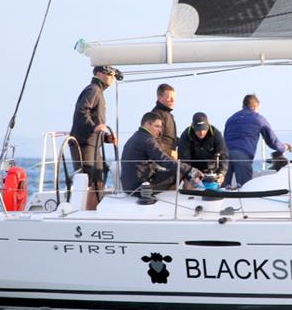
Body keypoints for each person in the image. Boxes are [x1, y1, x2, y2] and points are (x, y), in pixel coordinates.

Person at [70, 64, 119, 210]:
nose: (112, 77)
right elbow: (81, 111)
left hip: (93, 143)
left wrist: (105, 139)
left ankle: (93, 210)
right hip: (84, 144)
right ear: (98, 73)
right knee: (88, 180)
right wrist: (94, 127)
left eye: (114, 75)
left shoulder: (98, 92)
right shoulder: (93, 90)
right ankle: (85, 213)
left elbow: (94, 121)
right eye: (109, 73)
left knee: (99, 176)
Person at [120, 112, 202, 194]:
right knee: (179, 172)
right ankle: (186, 195)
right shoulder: (148, 140)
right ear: (147, 124)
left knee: (175, 169)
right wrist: (189, 169)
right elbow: (163, 160)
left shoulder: (135, 137)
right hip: (140, 188)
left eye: (161, 127)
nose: (160, 130)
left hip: (128, 187)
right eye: (157, 126)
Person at [223, 94, 291, 187]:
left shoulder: (231, 119)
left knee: (222, 190)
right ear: (255, 106)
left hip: (224, 155)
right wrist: (284, 147)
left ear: (243, 105)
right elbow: (272, 141)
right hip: (242, 155)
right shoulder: (258, 118)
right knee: (245, 189)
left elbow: (224, 138)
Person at [178, 112, 229, 184]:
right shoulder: (185, 136)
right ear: (192, 126)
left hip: (212, 170)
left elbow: (223, 156)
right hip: (193, 169)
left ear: (208, 125)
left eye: (204, 129)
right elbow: (184, 159)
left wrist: (221, 173)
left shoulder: (216, 134)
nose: (201, 132)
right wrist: (192, 174)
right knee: (189, 186)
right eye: (198, 130)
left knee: (216, 185)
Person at [150, 83, 178, 158]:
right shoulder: (156, 115)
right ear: (159, 98)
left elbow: (170, 137)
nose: (173, 100)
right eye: (169, 97)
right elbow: (154, 141)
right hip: (161, 160)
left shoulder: (167, 114)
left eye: (174, 97)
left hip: (167, 159)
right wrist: (170, 152)